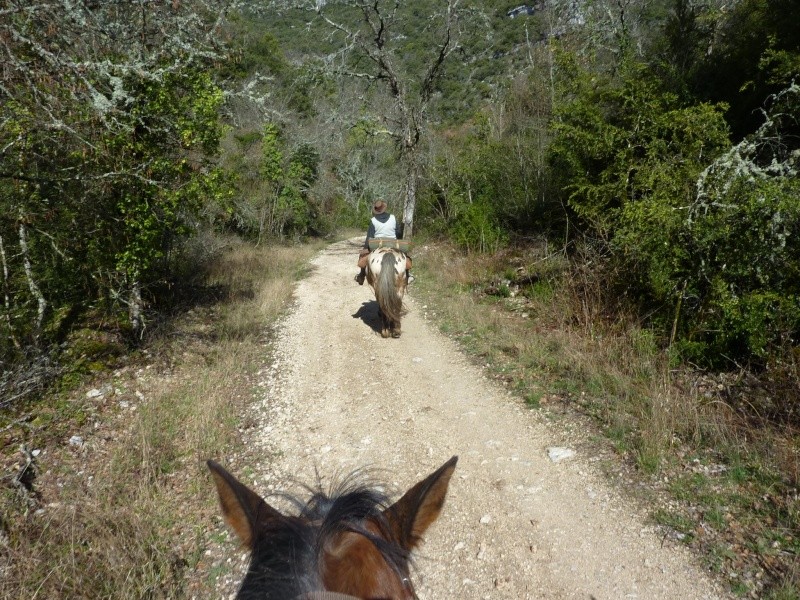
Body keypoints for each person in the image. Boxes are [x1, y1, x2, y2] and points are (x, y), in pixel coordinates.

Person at [355, 200, 412, 285]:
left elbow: (369, 237)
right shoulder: (393, 217)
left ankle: (361, 275)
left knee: (363, 256)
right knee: (405, 256)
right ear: (384, 208)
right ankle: (407, 275)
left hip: (377, 244)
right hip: (393, 243)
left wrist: (366, 248)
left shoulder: (373, 220)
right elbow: (399, 233)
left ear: (376, 210)